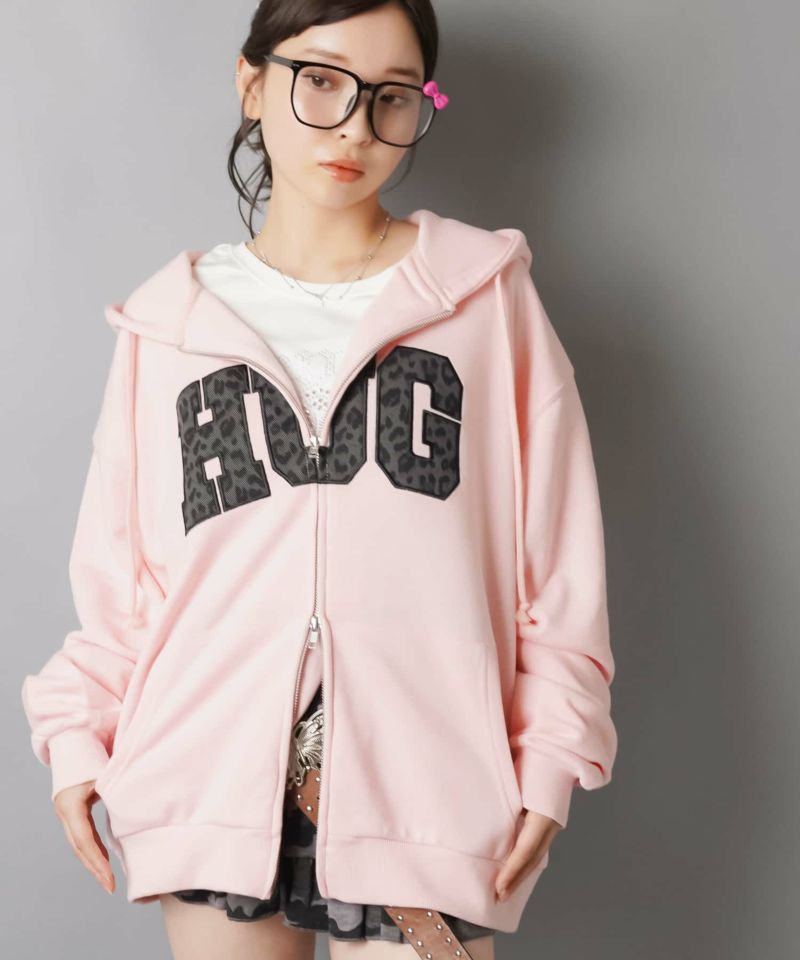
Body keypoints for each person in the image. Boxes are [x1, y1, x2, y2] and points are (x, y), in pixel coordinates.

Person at [20, 2, 618, 958]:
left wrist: (550, 760)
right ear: (253, 83)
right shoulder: (168, 326)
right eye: (322, 81)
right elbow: (125, 586)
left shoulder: (484, 298)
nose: (354, 127)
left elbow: (557, 567)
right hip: (208, 779)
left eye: (392, 97)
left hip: (425, 790)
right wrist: (76, 741)